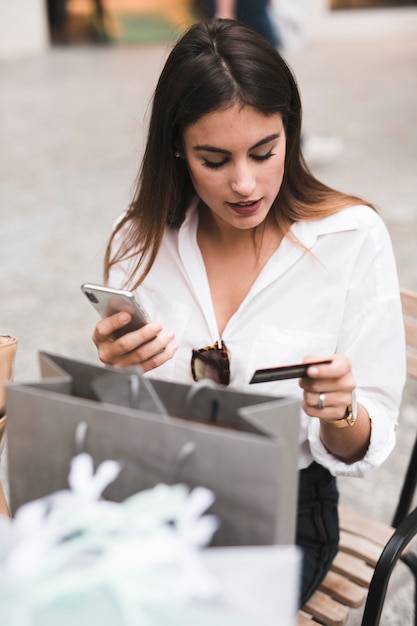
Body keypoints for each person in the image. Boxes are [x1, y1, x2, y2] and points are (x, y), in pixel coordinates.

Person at [92, 19, 406, 607]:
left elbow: (367, 443)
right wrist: (117, 371)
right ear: (177, 150)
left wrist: (341, 411)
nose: (245, 183)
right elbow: (126, 424)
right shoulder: (139, 241)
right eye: (214, 160)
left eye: (265, 152)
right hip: (158, 496)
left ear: (291, 131)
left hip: (285, 511)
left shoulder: (350, 238)